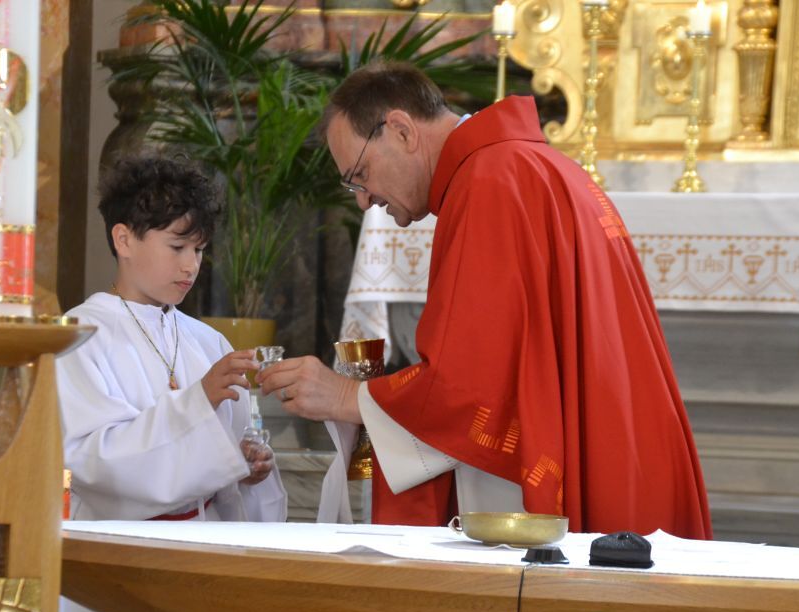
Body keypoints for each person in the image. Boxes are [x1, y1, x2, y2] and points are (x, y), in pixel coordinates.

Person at [257, 62, 712, 540]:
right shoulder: (527, 166)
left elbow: (469, 386)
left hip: (596, 454)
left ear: (402, 130)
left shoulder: (490, 181)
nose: (363, 201)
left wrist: (345, 396)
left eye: (360, 174)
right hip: (618, 441)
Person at [56, 156, 288, 612]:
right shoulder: (78, 335)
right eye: (177, 247)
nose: (191, 266)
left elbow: (230, 471)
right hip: (114, 572)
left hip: (198, 569)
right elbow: (93, 461)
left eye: (199, 250)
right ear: (124, 239)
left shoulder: (208, 342)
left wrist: (247, 468)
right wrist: (198, 401)